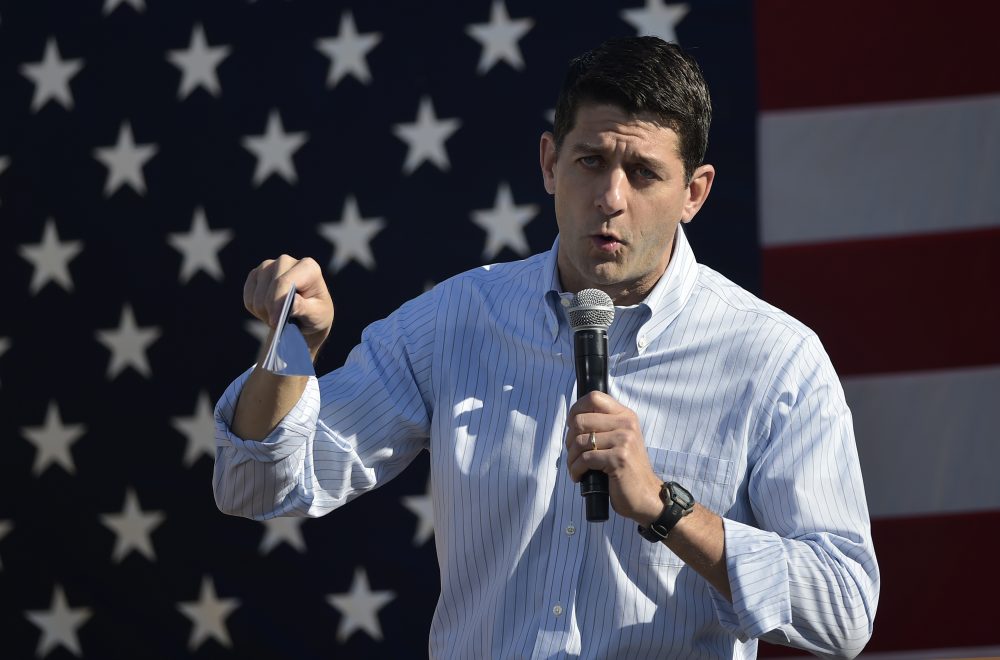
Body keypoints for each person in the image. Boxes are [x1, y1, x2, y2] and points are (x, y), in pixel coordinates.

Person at [213, 36, 879, 659]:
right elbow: (255, 487)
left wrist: (665, 507)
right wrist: (290, 350)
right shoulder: (457, 319)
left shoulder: (773, 359)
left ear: (693, 194)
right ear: (549, 165)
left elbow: (845, 610)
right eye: (591, 161)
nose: (610, 199)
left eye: (644, 173)